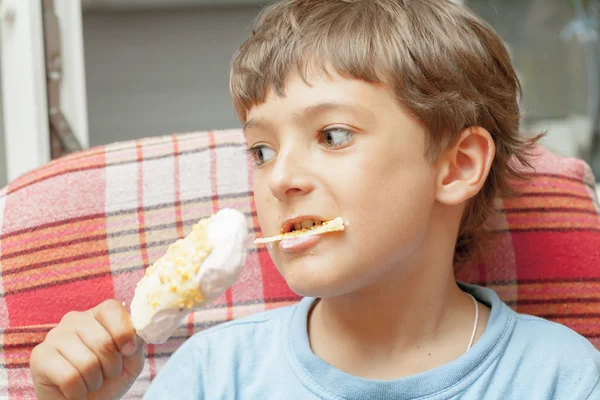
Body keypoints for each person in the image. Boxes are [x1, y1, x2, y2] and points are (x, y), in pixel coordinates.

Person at [29, 0, 600, 399]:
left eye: (332, 136)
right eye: (260, 151)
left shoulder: (564, 379)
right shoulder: (212, 375)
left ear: (456, 166)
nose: (280, 180)